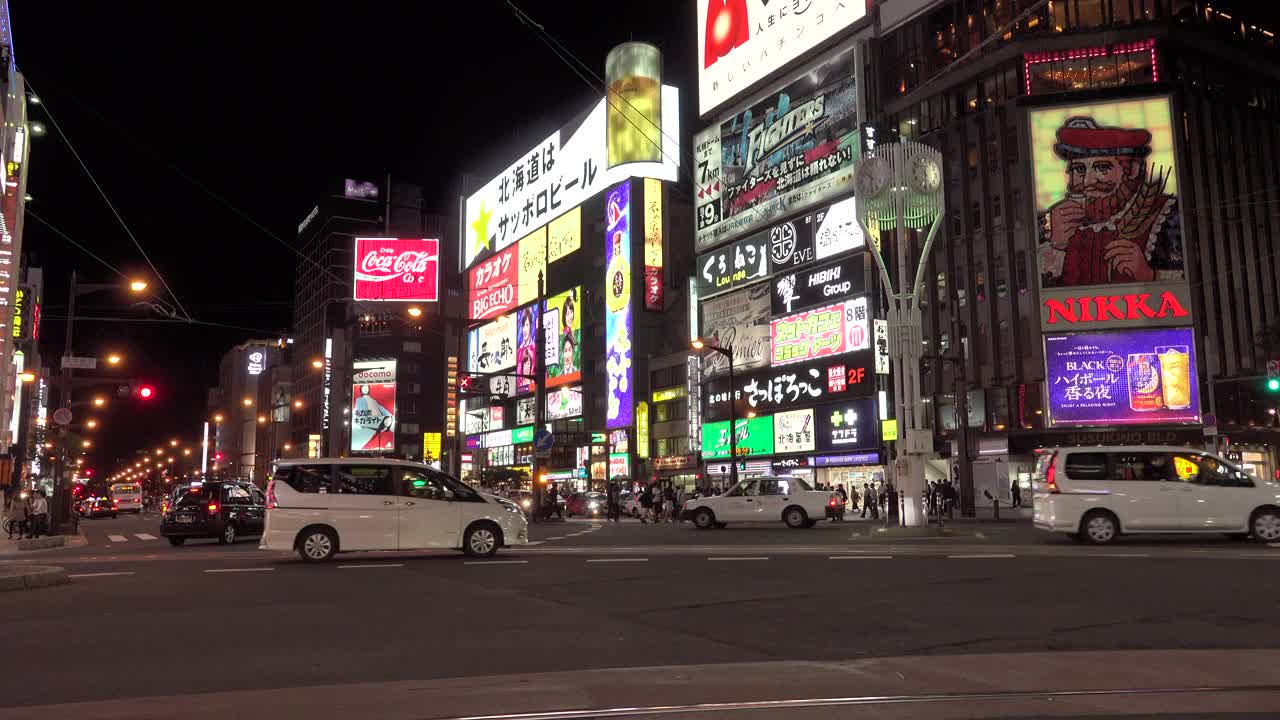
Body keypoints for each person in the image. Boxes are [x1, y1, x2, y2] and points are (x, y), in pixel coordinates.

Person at [1037, 116, 1181, 289]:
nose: (1088, 181)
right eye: (1079, 169)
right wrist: (1056, 246)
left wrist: (1150, 275)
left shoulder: (1167, 214)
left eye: (1102, 168)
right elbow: (1029, 291)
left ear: (1132, 170)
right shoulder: (1049, 224)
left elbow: (1195, 278)